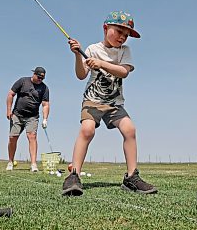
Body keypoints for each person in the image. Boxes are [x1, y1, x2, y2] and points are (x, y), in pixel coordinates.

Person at [62, 11, 157, 196]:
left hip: (115, 103)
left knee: (129, 130)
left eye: (126, 35)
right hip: (93, 100)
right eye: (118, 31)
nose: (122, 37)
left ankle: (131, 178)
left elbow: (123, 72)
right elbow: (81, 75)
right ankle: (74, 175)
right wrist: (76, 55)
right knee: (87, 130)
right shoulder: (91, 49)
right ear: (105, 28)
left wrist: (101, 64)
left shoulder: (124, 52)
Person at [6, 67, 50, 172]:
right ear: (34, 74)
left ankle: (33, 164)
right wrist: (8, 110)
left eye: (42, 78)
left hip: (32, 117)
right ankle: (10, 162)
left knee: (32, 136)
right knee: (13, 138)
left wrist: (45, 119)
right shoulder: (23, 81)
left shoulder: (44, 88)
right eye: (39, 77)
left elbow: (45, 105)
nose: (40, 80)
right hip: (17, 115)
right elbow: (11, 94)